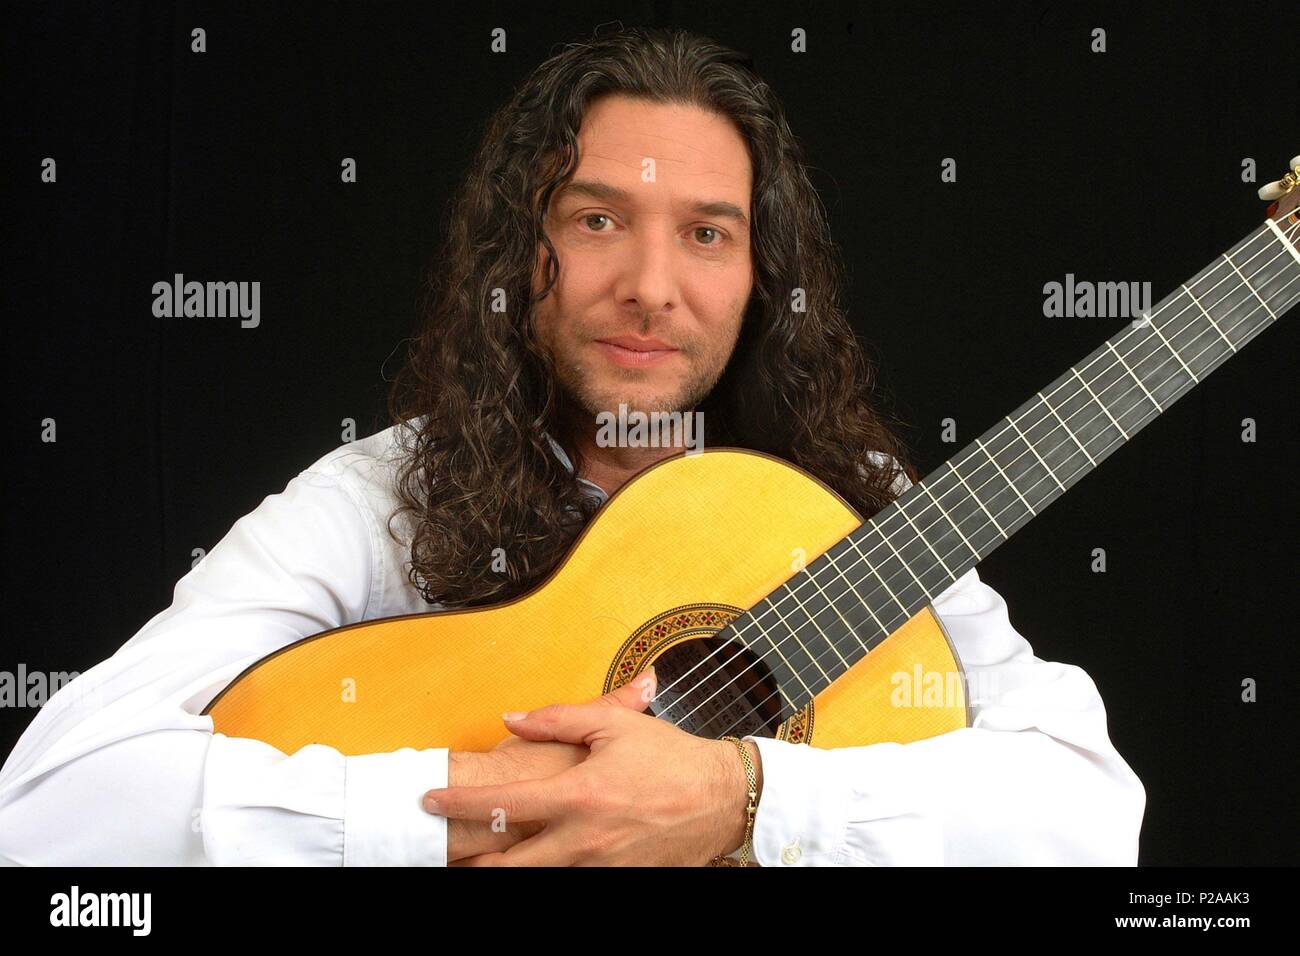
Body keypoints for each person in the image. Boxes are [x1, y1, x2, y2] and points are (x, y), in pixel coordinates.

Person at [0, 26, 1144, 866]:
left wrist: (740, 793)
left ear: (760, 281)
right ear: (518, 253)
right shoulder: (378, 495)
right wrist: (501, 805)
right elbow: (51, 802)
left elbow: (1090, 810)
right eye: (597, 219)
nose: (649, 287)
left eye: (706, 234)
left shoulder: (851, 504)